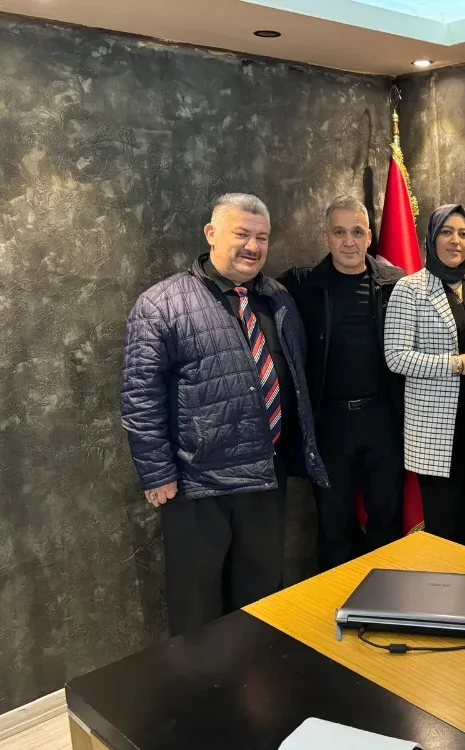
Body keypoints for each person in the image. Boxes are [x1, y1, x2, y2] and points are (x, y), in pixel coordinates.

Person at [120, 193, 328, 636]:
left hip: (266, 477)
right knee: (196, 609)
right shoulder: (161, 304)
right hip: (197, 485)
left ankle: (255, 679)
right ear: (211, 234)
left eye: (262, 237)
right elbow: (140, 396)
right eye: (242, 234)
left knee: (261, 602)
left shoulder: (278, 299)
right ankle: (199, 682)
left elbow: (295, 374)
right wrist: (157, 474)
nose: (253, 246)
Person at [279, 195, 405, 572]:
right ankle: (335, 603)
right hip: (330, 423)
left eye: (356, 232)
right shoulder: (302, 284)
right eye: (339, 232)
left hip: (382, 420)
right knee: (333, 526)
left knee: (387, 519)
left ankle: (386, 598)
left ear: (369, 237)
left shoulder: (396, 283)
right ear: (326, 237)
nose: (348, 241)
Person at [384, 205, 465, 550]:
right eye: (446, 232)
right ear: (431, 239)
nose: (455, 240)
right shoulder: (409, 288)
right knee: (443, 535)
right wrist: (456, 364)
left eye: (463, 234)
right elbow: (396, 357)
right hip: (434, 431)